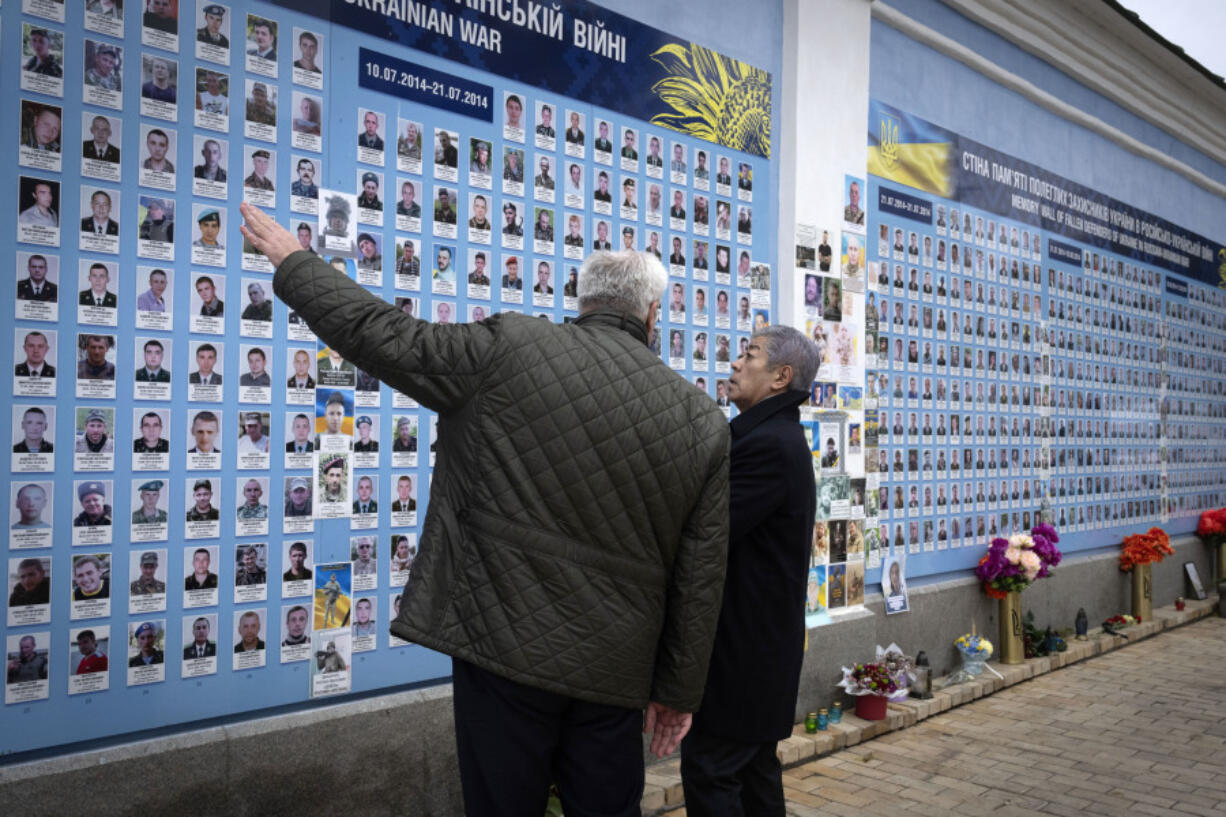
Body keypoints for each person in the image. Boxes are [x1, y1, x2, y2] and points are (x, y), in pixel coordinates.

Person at [240, 202, 730, 815]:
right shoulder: (700, 420)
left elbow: (385, 334)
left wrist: (297, 266)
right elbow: (701, 575)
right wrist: (678, 693)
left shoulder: (509, 349)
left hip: (502, 645)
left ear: (583, 299)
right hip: (615, 669)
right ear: (653, 313)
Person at [682, 326, 818, 815]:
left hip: (744, 653)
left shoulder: (768, 446)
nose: (735, 363)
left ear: (781, 376)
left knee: (712, 769)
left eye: (749, 355)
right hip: (759, 651)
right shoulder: (772, 437)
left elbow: (708, 530)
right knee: (755, 772)